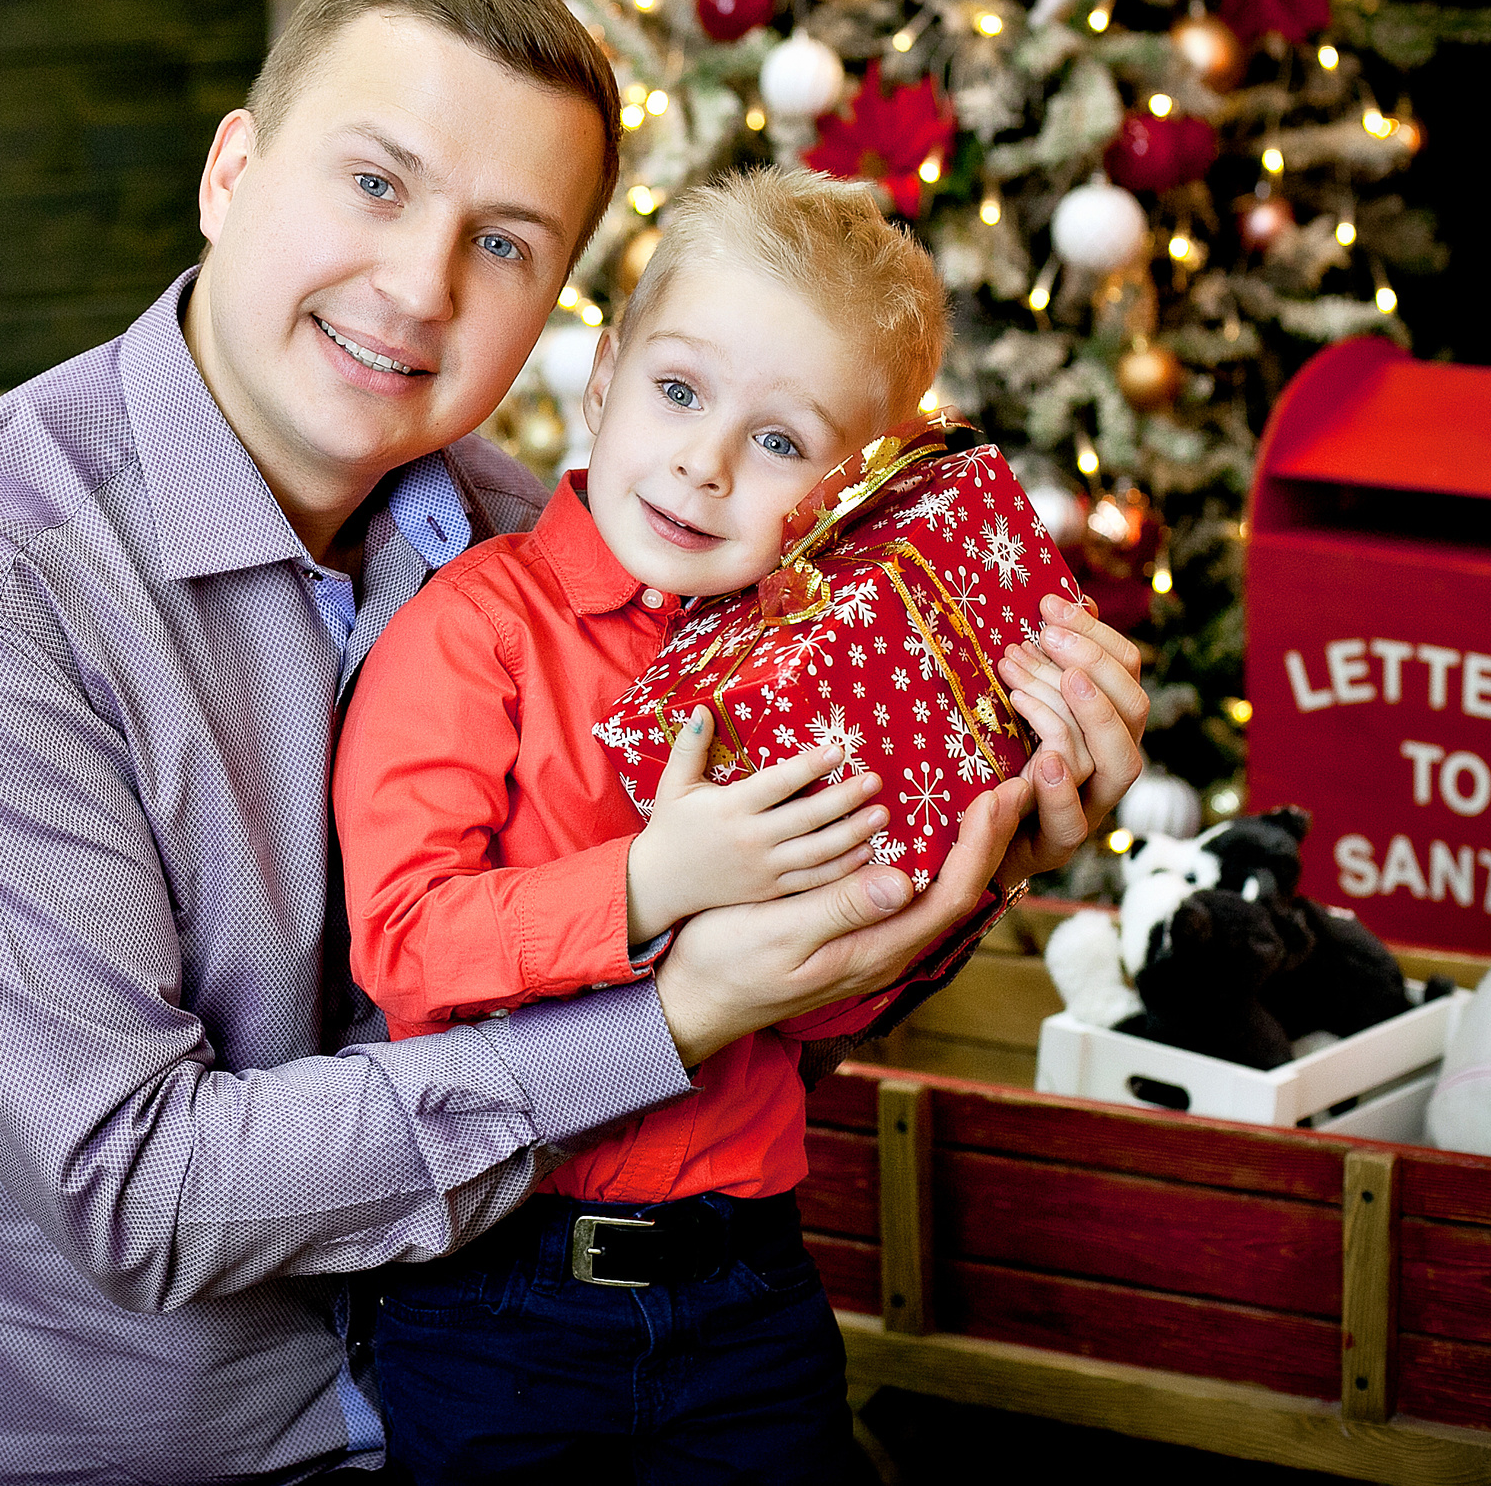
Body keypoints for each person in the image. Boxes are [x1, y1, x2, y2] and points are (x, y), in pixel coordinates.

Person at [0, 0, 1150, 1485]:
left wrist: (978, 858)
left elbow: (747, 1006)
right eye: (373, 182)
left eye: (504, 240)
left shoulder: (561, 545)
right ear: (230, 173)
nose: (420, 287)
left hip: (528, 1383)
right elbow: (144, 1200)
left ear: (559, 309)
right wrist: (666, 1017)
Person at [333, 168, 1091, 1480]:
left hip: (749, 1288)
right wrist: (650, 881)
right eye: (680, 392)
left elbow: (817, 1010)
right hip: (500, 1300)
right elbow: (402, 946)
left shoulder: (830, 682)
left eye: (782, 443)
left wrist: (973, 874)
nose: (707, 461)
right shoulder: (474, 629)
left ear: (852, 492)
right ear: (609, 367)